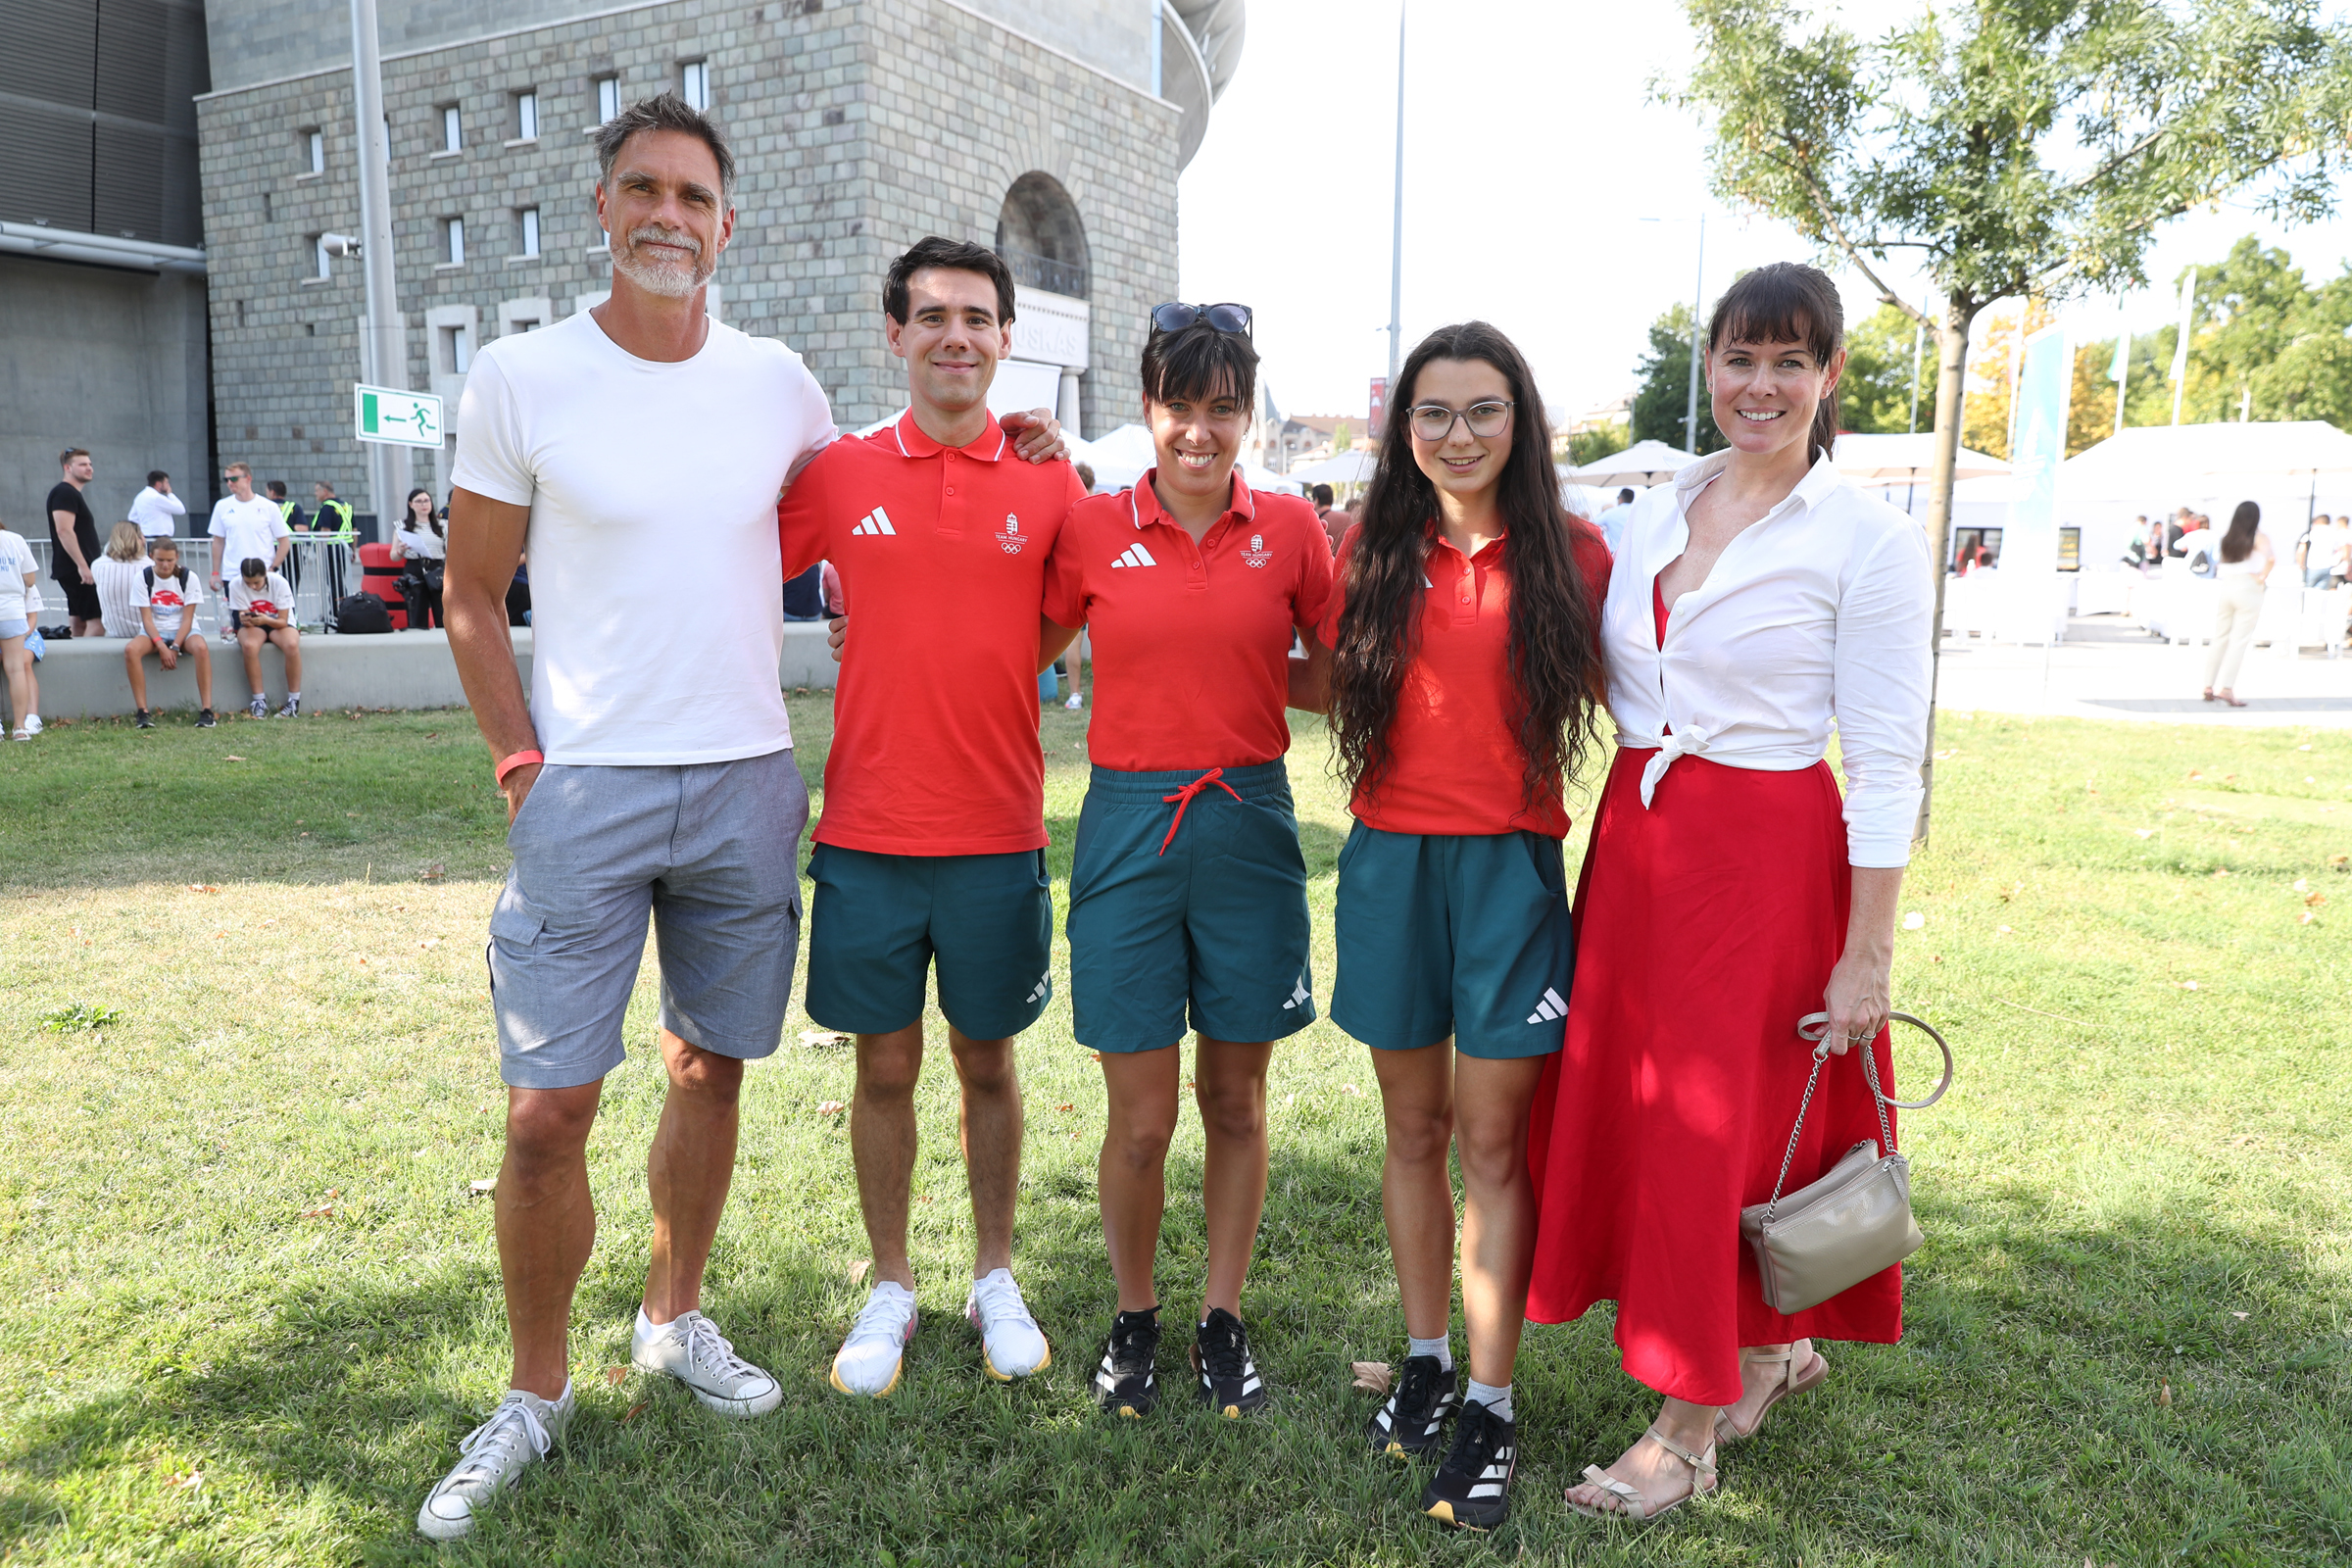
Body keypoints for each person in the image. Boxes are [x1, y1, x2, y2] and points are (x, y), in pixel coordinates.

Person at [424, 95, 1062, 1542]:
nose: (669, 214)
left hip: (747, 783)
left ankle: (674, 1315)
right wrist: (522, 761)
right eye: (643, 188)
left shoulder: (781, 388)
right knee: (548, 1110)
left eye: (694, 195)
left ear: (726, 224)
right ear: (603, 206)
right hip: (586, 784)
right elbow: (469, 592)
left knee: (710, 1071)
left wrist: (1030, 442)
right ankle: (533, 1392)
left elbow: (909, 505)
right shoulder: (521, 375)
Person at [1524, 262, 1933, 1524]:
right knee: (1670, 1117)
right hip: (1642, 851)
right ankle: (1770, 1350)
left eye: (1790, 361)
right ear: (1709, 366)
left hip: (1765, 863)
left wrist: (1867, 952)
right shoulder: (1651, 511)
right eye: (1741, 358)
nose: (1762, 385)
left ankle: (1687, 1425)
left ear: (1829, 375)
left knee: (1720, 1132)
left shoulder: (1865, 537)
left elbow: (1888, 761)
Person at [776, 234, 1080, 1401]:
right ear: (896, 333)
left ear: (1005, 339)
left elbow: (1062, 615)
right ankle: (892, 1283)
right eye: (934, 316)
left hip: (998, 828)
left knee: (987, 1061)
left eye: (978, 317)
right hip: (869, 829)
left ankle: (995, 1273)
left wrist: (982, 658)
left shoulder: (1050, 482)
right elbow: (730, 552)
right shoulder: (841, 472)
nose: (957, 336)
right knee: (885, 1065)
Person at [1318, 322, 1610, 1532]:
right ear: (1405, 429)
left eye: (1483, 409)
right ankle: (1428, 1357)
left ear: (1519, 419)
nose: (1458, 434)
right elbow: (1301, 666)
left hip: (1508, 873)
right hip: (1389, 864)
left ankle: (1491, 1402)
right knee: (1413, 1128)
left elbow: (1648, 686)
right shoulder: (1368, 546)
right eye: (1433, 413)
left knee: (1491, 1145)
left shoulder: (1576, 554)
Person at [1038, 302, 1333, 1422]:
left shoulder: (1293, 529)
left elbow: (1339, 671)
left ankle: (1221, 1316)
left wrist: (1241, 674)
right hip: (1130, 823)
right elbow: (1018, 647)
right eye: (1179, 406)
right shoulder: (1091, 525)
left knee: (1237, 1100)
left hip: (1250, 821)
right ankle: (1134, 1317)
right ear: (1147, 408)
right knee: (1142, 1117)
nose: (1199, 432)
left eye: (1222, 408)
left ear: (1247, 415)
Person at [123, 536, 215, 728]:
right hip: (154, 630)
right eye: (160, 560)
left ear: (177, 558)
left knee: (201, 648)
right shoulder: (143, 578)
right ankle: (142, 712)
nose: (165, 565)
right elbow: (147, 620)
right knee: (131, 650)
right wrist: (161, 646)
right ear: (151, 557)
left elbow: (187, 619)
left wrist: (175, 647)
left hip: (183, 629)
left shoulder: (188, 577)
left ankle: (207, 710)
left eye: (170, 560)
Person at [2202, 501, 2275, 707]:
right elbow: (2271, 559)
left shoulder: (2228, 537)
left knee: (2220, 637)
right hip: (2248, 587)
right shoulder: (2259, 537)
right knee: (2239, 640)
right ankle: (2226, 688)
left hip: (2228, 586)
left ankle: (2208, 685)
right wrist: (2262, 576)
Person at [227, 558, 302, 718]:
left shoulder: (280, 583)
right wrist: (246, 619)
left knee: (291, 644)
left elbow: (283, 621)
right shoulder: (235, 585)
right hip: (254, 625)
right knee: (249, 646)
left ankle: (294, 700)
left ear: (265, 575)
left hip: (278, 623)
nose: (252, 587)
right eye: (248, 583)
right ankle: (259, 700)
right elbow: (242, 616)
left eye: (257, 582)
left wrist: (266, 620)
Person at [208, 463, 290, 594]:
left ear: (248, 479)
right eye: (226, 480)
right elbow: (218, 541)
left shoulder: (269, 507)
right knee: (235, 608)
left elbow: (284, 541)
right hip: (233, 574)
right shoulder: (222, 506)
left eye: (234, 479)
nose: (230, 483)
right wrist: (215, 572)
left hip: (262, 574)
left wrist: (273, 568)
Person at [48, 447, 104, 637]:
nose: (89, 468)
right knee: (97, 623)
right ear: (68, 468)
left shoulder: (68, 493)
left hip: (74, 569)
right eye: (82, 464)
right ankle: (90, 656)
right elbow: (64, 530)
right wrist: (83, 566)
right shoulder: (65, 493)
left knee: (78, 621)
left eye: (90, 464)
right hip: (77, 569)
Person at [0, 516, 40, 740]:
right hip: (12, 610)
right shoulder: (15, 540)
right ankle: (20, 727)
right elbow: (30, 580)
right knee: (16, 670)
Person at [392, 487, 448, 629]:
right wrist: (400, 550)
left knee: (442, 613)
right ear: (410, 504)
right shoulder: (402, 526)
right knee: (417, 613)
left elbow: (449, 551)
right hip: (415, 567)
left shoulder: (442, 525)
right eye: (419, 501)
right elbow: (393, 556)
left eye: (426, 501)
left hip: (437, 569)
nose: (424, 504)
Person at [94, 521, 151, 638]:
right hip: (148, 632)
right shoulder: (150, 565)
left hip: (115, 632)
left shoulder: (98, 565)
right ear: (139, 539)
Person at [311, 480, 358, 605]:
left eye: (317, 491)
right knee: (338, 580)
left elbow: (325, 531)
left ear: (325, 491)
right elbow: (354, 530)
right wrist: (353, 550)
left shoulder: (327, 507)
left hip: (331, 549)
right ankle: (338, 607)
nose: (315, 494)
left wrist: (320, 552)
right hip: (344, 548)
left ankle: (340, 607)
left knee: (334, 582)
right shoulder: (346, 506)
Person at [129, 470, 187, 541]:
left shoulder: (140, 497)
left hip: (145, 536)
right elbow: (181, 509)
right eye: (166, 482)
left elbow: (132, 517)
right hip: (160, 537)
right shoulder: (156, 497)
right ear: (158, 484)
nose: (168, 485)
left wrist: (144, 528)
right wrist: (170, 494)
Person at [1595, 486, 1639, 556]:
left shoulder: (1610, 513)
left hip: (1615, 554)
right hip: (1633, 553)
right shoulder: (1637, 512)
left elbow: (1594, 523)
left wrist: (1603, 512)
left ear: (1620, 499)